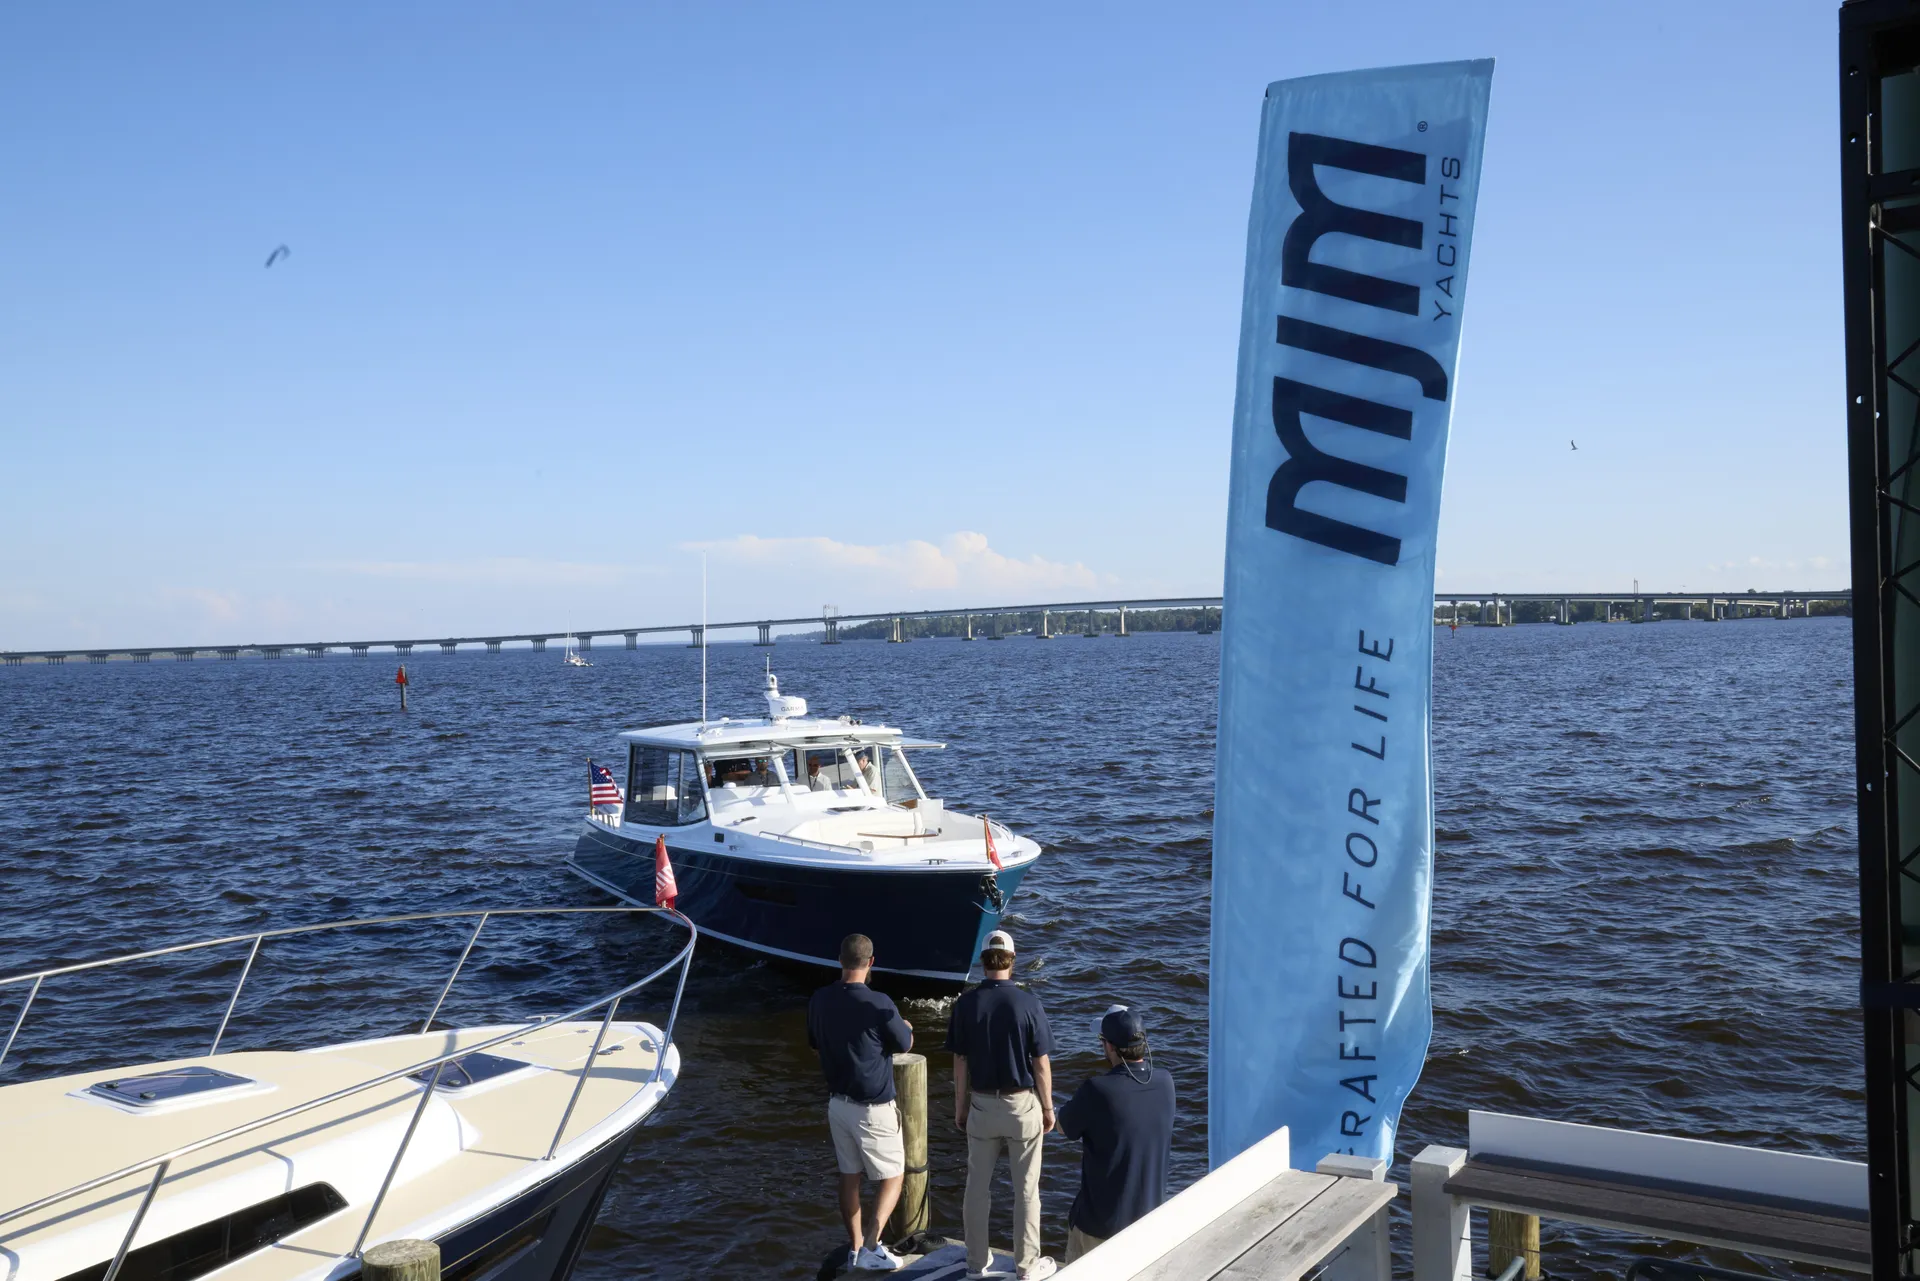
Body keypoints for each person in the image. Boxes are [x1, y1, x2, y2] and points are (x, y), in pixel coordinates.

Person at [946, 930, 1057, 1281]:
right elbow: (1040, 1063)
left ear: (984, 960)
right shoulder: (1028, 1003)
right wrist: (1049, 1108)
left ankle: (976, 1264)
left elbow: (960, 1062)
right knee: (1026, 1191)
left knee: (976, 1189)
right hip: (1022, 1106)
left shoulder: (965, 1004)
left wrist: (960, 1106)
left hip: (981, 1105)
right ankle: (1026, 1267)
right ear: (1012, 959)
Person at [807, 934, 914, 1274]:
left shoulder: (819, 999)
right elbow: (905, 1043)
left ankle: (854, 1248)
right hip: (873, 1107)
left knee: (849, 1176)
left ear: (840, 960)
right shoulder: (881, 1003)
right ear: (871, 963)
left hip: (837, 1103)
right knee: (894, 1175)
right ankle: (871, 1246)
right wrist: (906, 1026)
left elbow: (814, 1043)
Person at [1056, 1006, 1176, 1263]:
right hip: (1149, 1223)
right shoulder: (1166, 1082)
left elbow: (1063, 1126)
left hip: (1101, 1226)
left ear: (1110, 1047)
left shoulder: (1097, 1089)